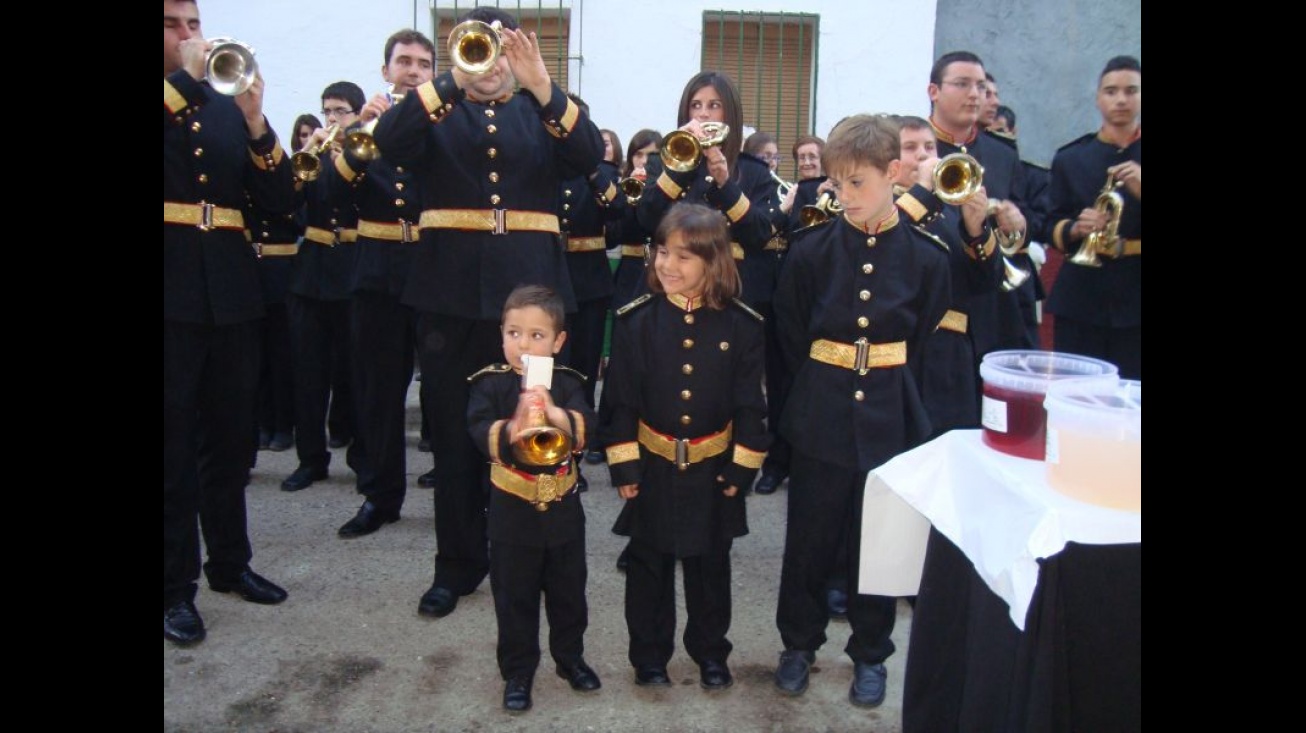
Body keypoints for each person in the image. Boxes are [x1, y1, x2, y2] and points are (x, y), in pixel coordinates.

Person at [373, 5, 603, 619]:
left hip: (531, 304)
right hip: (450, 298)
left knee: (535, 425)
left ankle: (529, 556)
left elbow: (587, 156)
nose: (492, 61)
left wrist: (543, 83)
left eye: (501, 48)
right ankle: (456, 565)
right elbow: (388, 143)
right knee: (452, 435)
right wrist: (449, 79)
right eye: (480, 48)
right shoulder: (436, 110)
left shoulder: (542, 107)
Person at [771, 114, 950, 707]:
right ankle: (798, 643)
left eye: (858, 184)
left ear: (894, 174)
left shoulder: (927, 256)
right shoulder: (812, 249)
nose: (844, 196)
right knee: (810, 538)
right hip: (822, 410)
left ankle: (871, 653)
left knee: (880, 540)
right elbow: (792, 334)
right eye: (837, 184)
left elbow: (920, 336)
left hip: (889, 414)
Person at [164, 0, 292, 646]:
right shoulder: (181, 95)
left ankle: (230, 563)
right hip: (171, 294)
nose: (190, 37)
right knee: (171, 447)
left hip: (231, 292)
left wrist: (257, 125)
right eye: (172, 25)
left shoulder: (220, 102)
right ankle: (173, 586)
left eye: (193, 25)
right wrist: (185, 81)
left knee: (229, 440)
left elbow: (279, 205)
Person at [603, 202, 771, 691]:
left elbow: (750, 407)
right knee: (648, 567)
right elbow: (619, 403)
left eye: (683, 257)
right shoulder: (637, 321)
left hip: (713, 467)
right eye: (662, 252)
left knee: (709, 569)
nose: (667, 265)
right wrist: (625, 466)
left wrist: (741, 471)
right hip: (652, 465)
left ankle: (710, 653)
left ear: (714, 263)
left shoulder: (742, 325)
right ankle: (650, 657)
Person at [467, 284, 600, 712]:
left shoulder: (568, 383)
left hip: (563, 511)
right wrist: (514, 426)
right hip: (511, 515)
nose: (523, 344)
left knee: (569, 594)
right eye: (514, 333)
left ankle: (570, 658)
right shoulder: (487, 384)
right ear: (501, 334)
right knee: (514, 597)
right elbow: (478, 433)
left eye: (537, 335)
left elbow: (587, 428)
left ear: (559, 341)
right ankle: (518, 671)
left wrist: (555, 413)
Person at [325, 29, 437, 537]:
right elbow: (328, 195)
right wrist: (364, 128)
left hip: (434, 270)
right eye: (404, 62)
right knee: (378, 392)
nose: (413, 71)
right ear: (385, 70)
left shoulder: (445, 126)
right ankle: (380, 495)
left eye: (423, 64)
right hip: (375, 272)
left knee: (446, 391)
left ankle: (458, 498)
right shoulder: (361, 134)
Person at [279, 81, 367, 493]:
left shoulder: (366, 151)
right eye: (327, 110)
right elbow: (285, 200)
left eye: (341, 111)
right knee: (307, 374)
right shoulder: (309, 156)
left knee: (355, 373)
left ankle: (360, 455)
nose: (332, 119)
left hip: (352, 271)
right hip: (311, 273)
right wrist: (309, 153)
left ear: (358, 115)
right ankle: (310, 459)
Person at [1040, 55, 1142, 379]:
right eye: (1111, 91)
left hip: (1136, 293)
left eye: (1131, 91)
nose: (1121, 99)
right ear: (1098, 99)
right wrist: (1075, 227)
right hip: (1081, 297)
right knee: (1077, 393)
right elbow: (1048, 221)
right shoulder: (1072, 158)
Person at [927, 51, 1032, 359]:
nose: (975, 94)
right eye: (962, 84)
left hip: (991, 305)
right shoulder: (915, 147)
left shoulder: (1003, 154)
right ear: (934, 91)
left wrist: (1018, 223)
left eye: (981, 86)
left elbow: (1027, 226)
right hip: (939, 301)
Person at [250, 114, 317, 453]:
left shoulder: (292, 175)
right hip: (251, 266)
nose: (305, 139)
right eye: (300, 135)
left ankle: (282, 425)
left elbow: (295, 215)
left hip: (282, 265)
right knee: (256, 354)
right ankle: (262, 422)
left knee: (282, 354)